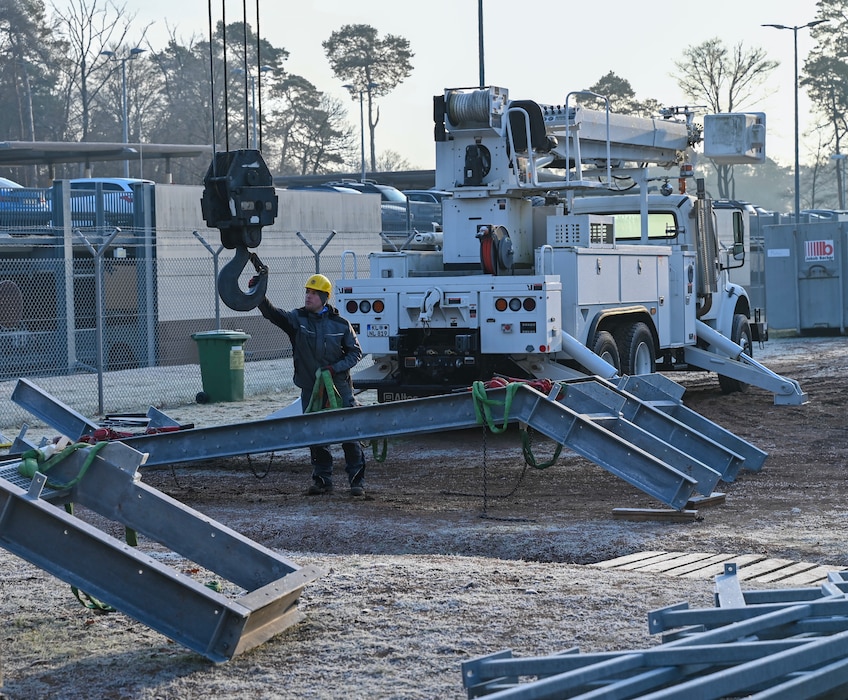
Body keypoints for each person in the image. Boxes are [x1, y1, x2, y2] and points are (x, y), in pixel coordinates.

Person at [253, 272, 367, 496]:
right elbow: (272, 314)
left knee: (348, 431)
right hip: (311, 388)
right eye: (307, 292)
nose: (308, 297)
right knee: (316, 433)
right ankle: (323, 480)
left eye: (314, 294)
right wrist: (258, 295)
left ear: (325, 298)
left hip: (339, 387)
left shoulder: (341, 324)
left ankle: (356, 482)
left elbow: (356, 353)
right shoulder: (297, 320)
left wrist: (335, 368)